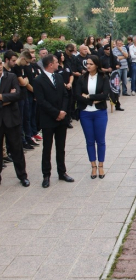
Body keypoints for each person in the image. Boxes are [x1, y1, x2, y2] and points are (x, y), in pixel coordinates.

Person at [32, 54, 74, 188]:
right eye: (56, 62)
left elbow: (65, 95)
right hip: (48, 119)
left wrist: (63, 112)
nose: (58, 64)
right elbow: (41, 101)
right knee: (47, 148)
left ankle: (62, 172)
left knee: (60, 147)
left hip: (61, 118)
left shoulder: (59, 77)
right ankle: (46, 175)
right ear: (50, 64)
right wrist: (56, 113)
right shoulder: (38, 80)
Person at [74, 55, 110, 179]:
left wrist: (89, 96)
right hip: (85, 113)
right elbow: (77, 95)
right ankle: (93, 166)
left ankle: (101, 165)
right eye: (87, 64)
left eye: (91, 64)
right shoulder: (82, 78)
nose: (88, 66)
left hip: (100, 112)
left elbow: (105, 95)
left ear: (96, 65)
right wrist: (92, 100)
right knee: (90, 141)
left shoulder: (104, 77)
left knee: (100, 140)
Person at [0, 62, 30, 187]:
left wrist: (1, 96)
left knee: (16, 149)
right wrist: (8, 98)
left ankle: (22, 176)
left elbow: (18, 94)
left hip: (11, 119)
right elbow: (12, 96)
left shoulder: (11, 76)